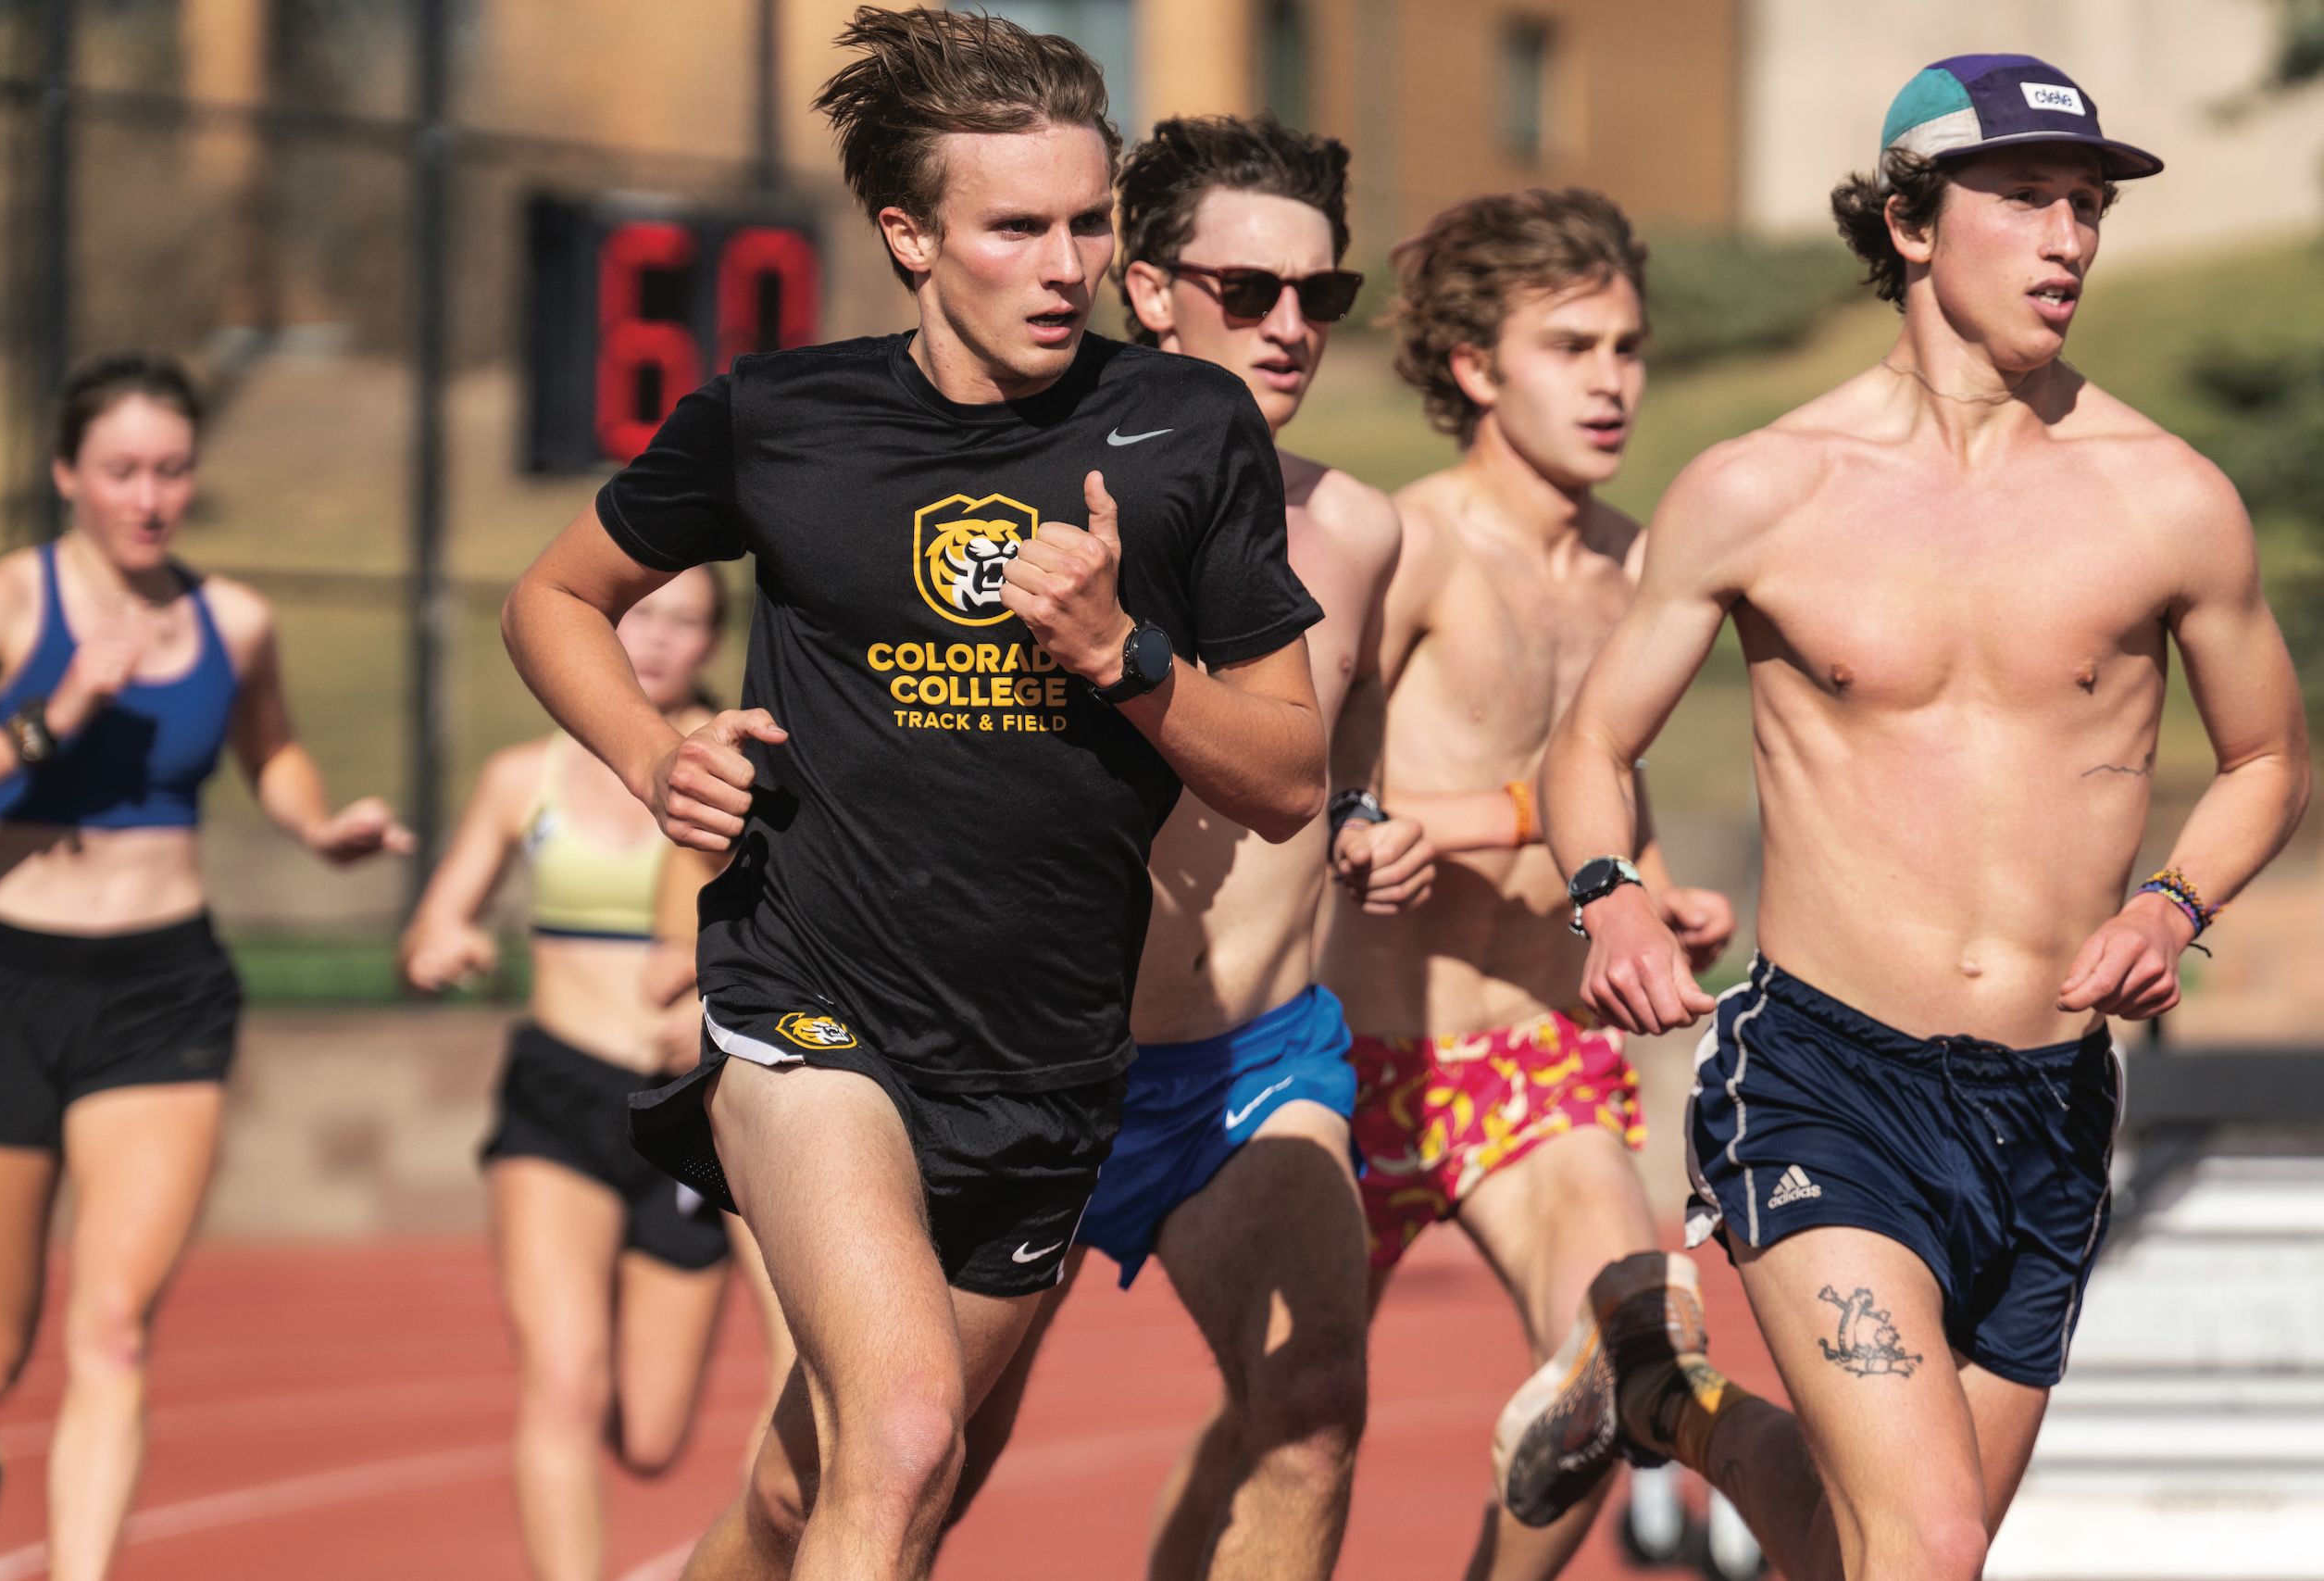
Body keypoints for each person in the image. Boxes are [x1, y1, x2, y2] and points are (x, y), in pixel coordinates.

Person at [497, 11, 1327, 1580]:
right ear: (909, 235)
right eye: (1016, 227)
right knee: (904, 1429)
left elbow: (1291, 778)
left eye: (1087, 222)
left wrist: (1122, 653)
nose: (1064, 262)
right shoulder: (780, 420)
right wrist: (648, 749)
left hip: (1045, 1055)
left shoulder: (1184, 430)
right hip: (810, 1002)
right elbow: (555, 598)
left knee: (820, 1492)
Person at [1526, 54, 2310, 1581]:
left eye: (2086, 206)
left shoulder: (2168, 496)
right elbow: (1587, 745)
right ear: (1906, 223)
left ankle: (1662, 1398)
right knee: (1934, 1541)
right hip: (1824, 1083)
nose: (2068, 240)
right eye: (2023, 201)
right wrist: (1609, 890)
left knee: (1856, 1543)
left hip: (2048, 1108)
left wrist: (2173, 903)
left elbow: (2268, 758)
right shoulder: (1764, 487)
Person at [950, 112, 1413, 1581]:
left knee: (1312, 1413)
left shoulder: (1360, 531)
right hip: (1017, 1058)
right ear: (1150, 290)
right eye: (1251, 292)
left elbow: (1346, 748)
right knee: (883, 1469)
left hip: (1247, 1060)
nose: (1291, 328)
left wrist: (1364, 821)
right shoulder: (1012, 491)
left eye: (1321, 298)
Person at [1317, 187, 1736, 1580]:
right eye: (1571, 347)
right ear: (1476, 368)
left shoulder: (1637, 568)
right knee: (1285, 1433)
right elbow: (1302, 786)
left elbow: (1610, 789)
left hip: (1536, 1057)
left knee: (1631, 1356)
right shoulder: (1405, 543)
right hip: (1352, 1058)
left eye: (1627, 346)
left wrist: (1658, 892)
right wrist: (1434, 821)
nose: (1612, 380)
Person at [0, 352, 411, 1573]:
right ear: (67, 475)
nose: (148, 495)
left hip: (163, 994)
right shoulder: (4, 604)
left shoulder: (234, 618)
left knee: (111, 1326)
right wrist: (49, 719)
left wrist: (320, 826)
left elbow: (276, 753)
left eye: (169, 469)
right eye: (121, 471)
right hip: (4, 984)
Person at [398, 564, 790, 1581]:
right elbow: (434, 921)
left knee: (654, 1434)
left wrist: (710, 1001)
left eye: (688, 624)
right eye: (642, 617)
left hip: (692, 1110)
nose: (659, 643)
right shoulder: (522, 777)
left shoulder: (746, 768)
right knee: (561, 1379)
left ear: (714, 640)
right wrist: (440, 945)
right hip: (560, 1095)